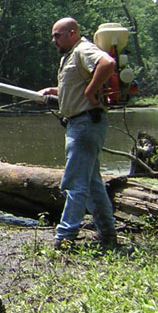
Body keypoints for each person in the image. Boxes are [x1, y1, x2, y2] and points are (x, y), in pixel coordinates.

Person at [39, 17, 120, 252]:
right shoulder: (70, 55)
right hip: (80, 124)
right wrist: (55, 91)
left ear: (72, 33)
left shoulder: (83, 49)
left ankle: (65, 237)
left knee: (75, 183)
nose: (53, 40)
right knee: (93, 183)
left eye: (57, 35)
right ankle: (108, 233)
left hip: (85, 124)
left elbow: (107, 64)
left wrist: (91, 90)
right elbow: (75, 84)